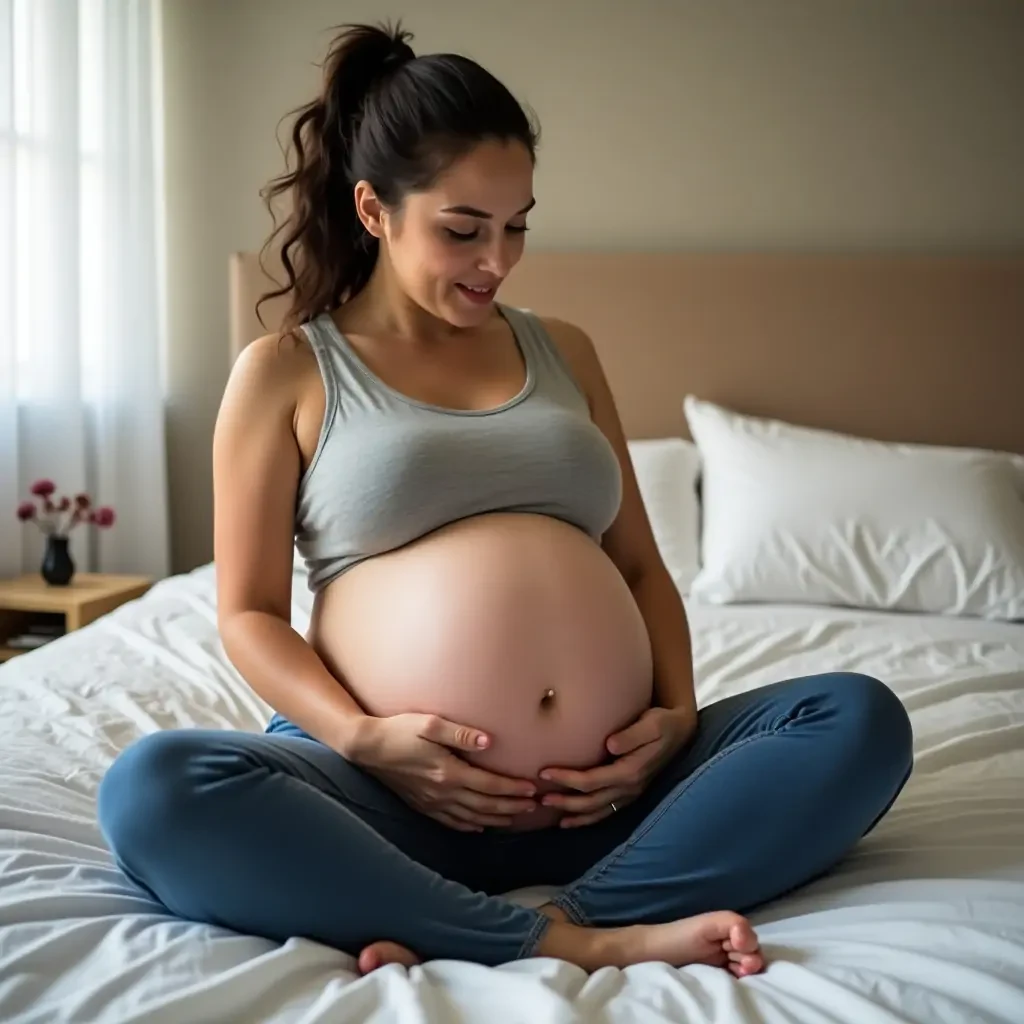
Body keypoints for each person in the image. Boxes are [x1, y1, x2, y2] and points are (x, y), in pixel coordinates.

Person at [97, 22, 914, 977]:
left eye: (518, 224)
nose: (498, 260)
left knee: (858, 719)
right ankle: (559, 936)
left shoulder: (564, 349)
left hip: (612, 801)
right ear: (373, 209)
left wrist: (679, 717)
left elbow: (642, 567)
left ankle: (555, 919)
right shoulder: (285, 370)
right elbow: (246, 614)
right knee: (153, 790)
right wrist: (367, 739)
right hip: (392, 796)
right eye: (463, 229)